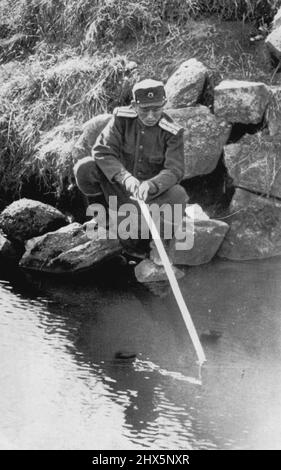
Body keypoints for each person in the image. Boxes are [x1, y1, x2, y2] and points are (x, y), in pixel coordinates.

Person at [74, 78, 189, 258]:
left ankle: (159, 241)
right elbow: (102, 150)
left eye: (156, 109)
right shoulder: (121, 119)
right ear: (135, 106)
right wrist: (125, 178)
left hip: (150, 198)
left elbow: (175, 170)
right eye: (144, 109)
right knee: (85, 168)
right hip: (118, 189)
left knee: (178, 194)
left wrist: (152, 185)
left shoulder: (173, 132)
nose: (151, 115)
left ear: (164, 104)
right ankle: (102, 219)